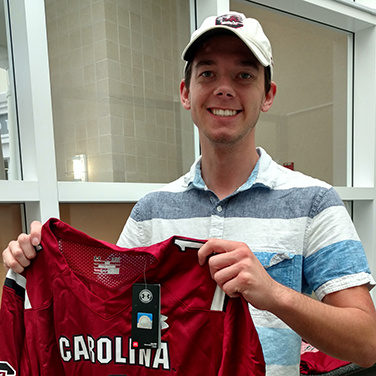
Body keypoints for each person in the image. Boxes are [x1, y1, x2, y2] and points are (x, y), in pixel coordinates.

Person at [3, 11, 376, 376]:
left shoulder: (314, 203)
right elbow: (124, 324)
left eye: (244, 74)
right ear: (186, 92)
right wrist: (36, 261)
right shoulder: (150, 212)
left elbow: (367, 344)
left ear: (268, 95)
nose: (224, 88)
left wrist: (274, 293)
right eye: (208, 73)